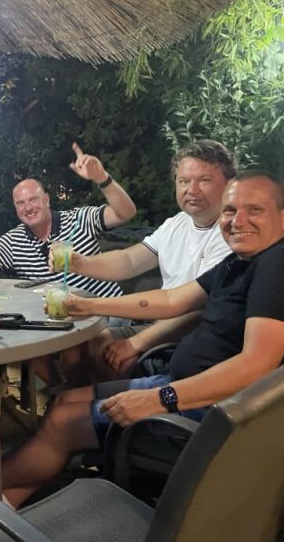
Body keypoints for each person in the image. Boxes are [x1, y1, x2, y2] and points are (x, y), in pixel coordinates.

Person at [0, 172, 284, 526]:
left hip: (214, 416)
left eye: (254, 210)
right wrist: (90, 305)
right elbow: (171, 300)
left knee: (64, 421)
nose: (238, 220)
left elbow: (257, 365)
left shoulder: (283, 268)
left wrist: (161, 398)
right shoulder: (240, 264)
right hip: (185, 384)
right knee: (67, 400)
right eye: (231, 210)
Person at [48, 139, 237, 384]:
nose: (192, 190)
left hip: (193, 336)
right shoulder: (177, 223)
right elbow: (129, 260)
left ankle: (101, 404)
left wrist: (137, 342)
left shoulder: (231, 235)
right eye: (183, 181)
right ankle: (81, 401)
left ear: (229, 184)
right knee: (78, 345)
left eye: (204, 180)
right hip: (161, 321)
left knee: (104, 351)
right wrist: (79, 263)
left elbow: (197, 310)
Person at [0, 143, 136, 298]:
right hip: (58, 315)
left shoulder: (79, 219)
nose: (28, 208)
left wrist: (102, 178)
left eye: (33, 200)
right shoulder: (12, 241)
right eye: (21, 203)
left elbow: (125, 213)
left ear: (46, 200)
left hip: (107, 310)